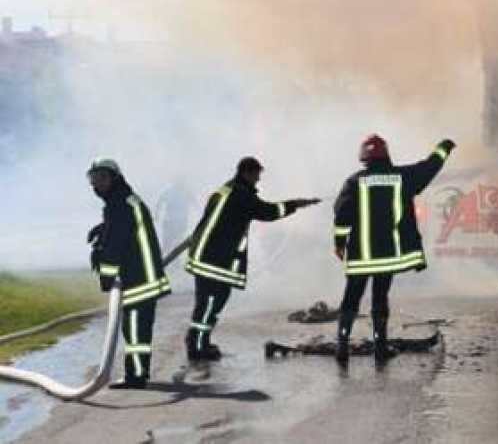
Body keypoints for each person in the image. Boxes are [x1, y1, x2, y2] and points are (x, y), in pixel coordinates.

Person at [333, 135, 455, 364]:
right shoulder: (402, 178)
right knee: (380, 298)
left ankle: (342, 345)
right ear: (385, 154)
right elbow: (429, 167)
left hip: (360, 258)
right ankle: (380, 345)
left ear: (364, 157)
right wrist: (443, 148)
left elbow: (342, 216)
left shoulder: (353, 182)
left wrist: (339, 244)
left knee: (351, 298)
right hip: (388, 258)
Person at [184, 157, 320, 361]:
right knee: (211, 304)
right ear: (247, 172)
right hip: (216, 261)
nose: (258, 179)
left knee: (207, 304)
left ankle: (200, 341)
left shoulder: (225, 190)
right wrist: (296, 204)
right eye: (257, 174)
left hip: (204, 255)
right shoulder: (241, 195)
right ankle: (196, 346)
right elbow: (267, 212)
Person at [87, 158, 171, 389]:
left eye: (102, 178)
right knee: (137, 327)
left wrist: (106, 276)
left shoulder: (120, 204)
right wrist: (103, 228)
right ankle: (138, 373)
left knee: (134, 328)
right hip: (142, 274)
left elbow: (116, 245)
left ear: (114, 177)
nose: (97, 184)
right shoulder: (124, 200)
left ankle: (136, 376)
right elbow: (122, 230)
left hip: (138, 277)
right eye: (93, 179)